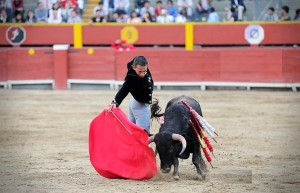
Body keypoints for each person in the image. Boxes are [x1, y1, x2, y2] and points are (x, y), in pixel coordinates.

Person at [111, 56, 154, 134]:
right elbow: (124, 89)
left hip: (134, 102)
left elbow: (134, 60)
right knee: (142, 134)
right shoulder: (131, 78)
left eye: (144, 71)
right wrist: (115, 102)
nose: (142, 74)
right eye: (140, 71)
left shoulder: (140, 65)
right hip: (140, 105)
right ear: (134, 68)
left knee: (131, 132)